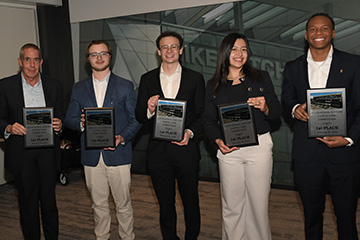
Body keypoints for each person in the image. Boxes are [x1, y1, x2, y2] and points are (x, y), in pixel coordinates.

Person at [281, 13, 360, 239]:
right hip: (307, 155)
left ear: (333, 33)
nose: (319, 33)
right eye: (313, 29)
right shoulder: (292, 67)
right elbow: (287, 99)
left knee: (346, 217)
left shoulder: (354, 64)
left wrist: (349, 139)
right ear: (306, 36)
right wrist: (296, 108)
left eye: (324, 29)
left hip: (344, 154)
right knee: (312, 215)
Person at [203, 33, 281, 240]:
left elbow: (276, 113)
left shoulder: (260, 78)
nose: (240, 54)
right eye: (235, 49)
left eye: (244, 49)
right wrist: (218, 141)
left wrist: (265, 108)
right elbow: (208, 122)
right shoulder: (213, 85)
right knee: (232, 205)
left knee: (257, 206)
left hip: (259, 148)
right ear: (225, 52)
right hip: (229, 151)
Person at [64, 40, 141, 240]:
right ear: (88, 59)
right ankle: (102, 236)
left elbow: (136, 120)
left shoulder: (125, 86)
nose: (99, 58)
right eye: (94, 54)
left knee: (123, 203)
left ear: (110, 56)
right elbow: (69, 119)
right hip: (91, 156)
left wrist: (121, 137)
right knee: (98, 203)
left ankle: (127, 236)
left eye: (103, 53)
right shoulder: (79, 88)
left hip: (119, 154)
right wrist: (81, 123)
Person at [135, 31, 205, 240]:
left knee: (191, 201)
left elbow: (202, 115)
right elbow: (139, 116)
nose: (169, 51)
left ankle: (192, 237)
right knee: (165, 204)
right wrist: (148, 108)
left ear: (181, 50)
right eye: (165, 47)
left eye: (174, 46)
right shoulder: (147, 79)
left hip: (186, 150)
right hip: (158, 154)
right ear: (158, 52)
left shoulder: (195, 78)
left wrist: (189, 132)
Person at [0, 43, 63, 239]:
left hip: (47, 153)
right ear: (20, 62)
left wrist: (60, 124)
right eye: (27, 60)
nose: (32, 65)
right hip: (21, 154)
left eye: (36, 60)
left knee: (49, 203)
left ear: (41, 62)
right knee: (27, 204)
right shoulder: (5, 86)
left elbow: (61, 115)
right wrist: (9, 128)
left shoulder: (54, 85)